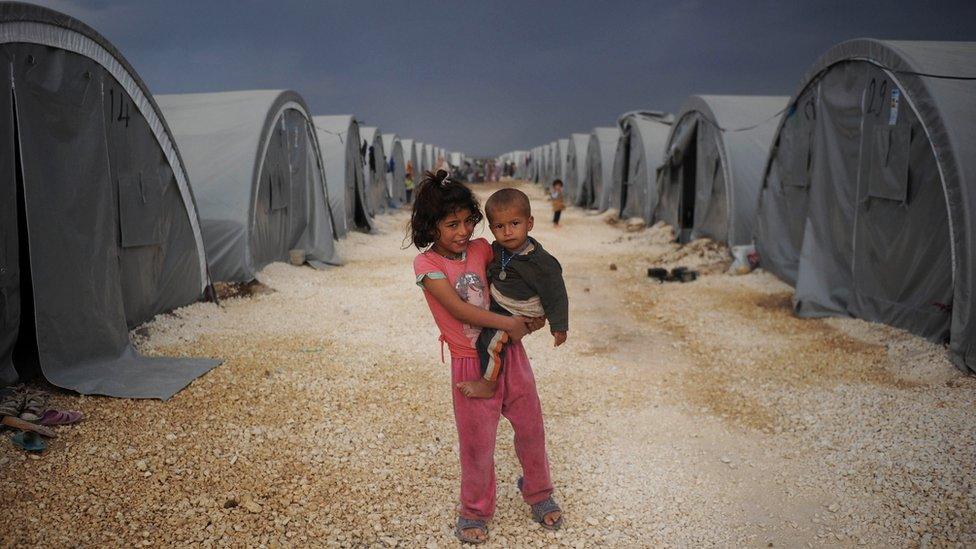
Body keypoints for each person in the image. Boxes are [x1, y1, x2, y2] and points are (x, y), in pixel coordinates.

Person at [410, 170, 563, 544]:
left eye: (468, 222)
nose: (463, 232)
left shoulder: (483, 250)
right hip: (470, 361)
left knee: (530, 426)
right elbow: (461, 311)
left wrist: (537, 314)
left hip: (511, 354)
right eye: (452, 225)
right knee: (477, 443)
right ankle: (475, 510)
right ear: (431, 228)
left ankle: (539, 492)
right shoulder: (428, 267)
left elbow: (527, 264)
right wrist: (510, 322)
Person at [457, 188, 568, 400]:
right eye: (500, 226)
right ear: (491, 229)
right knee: (487, 335)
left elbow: (556, 294)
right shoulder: (499, 249)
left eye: (514, 224)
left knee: (490, 342)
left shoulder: (541, 262)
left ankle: (488, 384)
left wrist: (559, 326)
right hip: (503, 304)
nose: (507, 232)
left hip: (520, 310)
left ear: (530, 223)